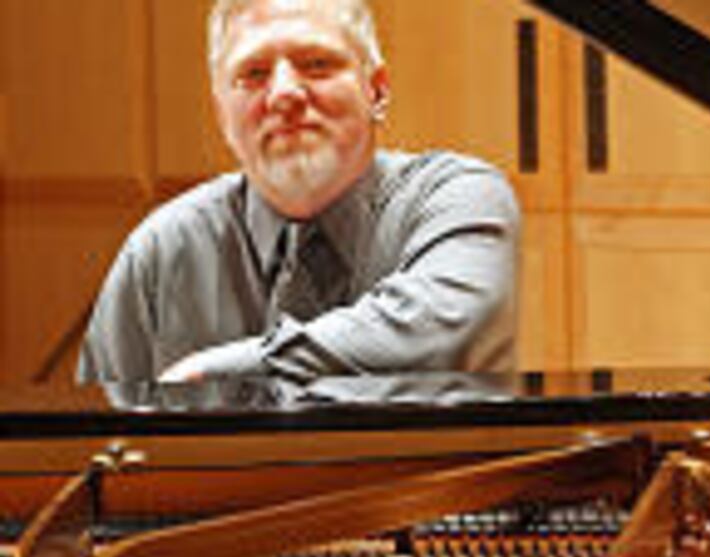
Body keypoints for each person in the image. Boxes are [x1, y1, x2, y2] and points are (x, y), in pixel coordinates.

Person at [78, 0, 520, 384]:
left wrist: (219, 369)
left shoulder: (455, 199)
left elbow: (437, 333)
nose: (284, 93)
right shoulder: (159, 254)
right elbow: (91, 447)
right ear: (222, 115)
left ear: (377, 91)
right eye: (253, 74)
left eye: (317, 64)